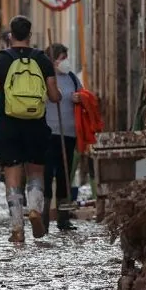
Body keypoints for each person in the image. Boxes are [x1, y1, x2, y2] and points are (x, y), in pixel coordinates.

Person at [0, 15, 61, 243]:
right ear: (30, 35)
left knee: (12, 176)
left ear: (10, 36)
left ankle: (17, 228)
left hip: (10, 125)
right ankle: (34, 208)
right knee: (35, 172)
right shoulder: (42, 59)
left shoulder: (2, 60)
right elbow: (54, 96)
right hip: (36, 123)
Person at [44, 43, 82, 232]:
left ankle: (63, 218)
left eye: (66, 57)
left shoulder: (72, 78)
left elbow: (83, 96)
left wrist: (79, 98)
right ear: (52, 60)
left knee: (64, 175)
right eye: (61, 57)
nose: (64, 61)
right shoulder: (43, 78)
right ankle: (43, 215)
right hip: (48, 133)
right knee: (46, 173)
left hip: (68, 133)